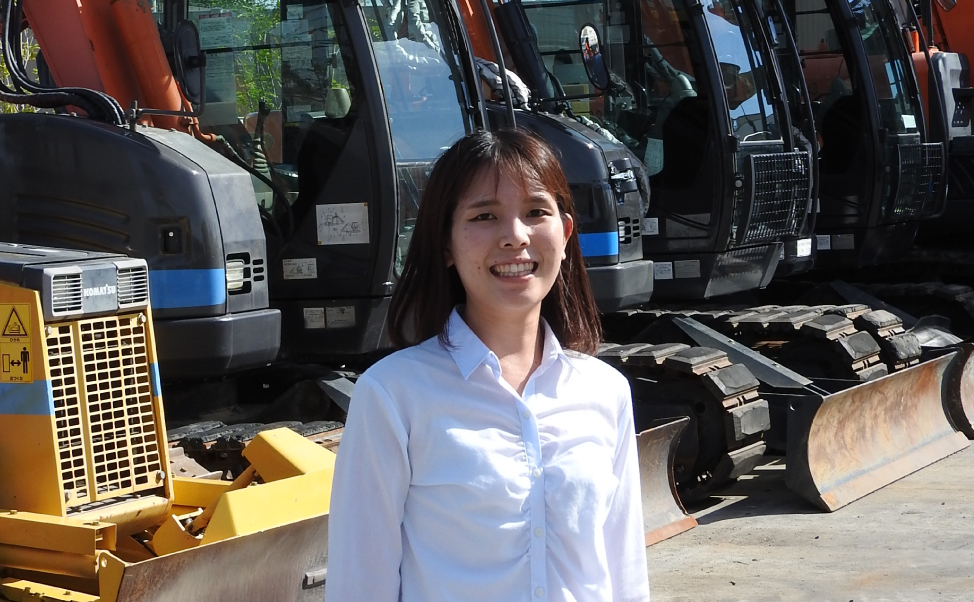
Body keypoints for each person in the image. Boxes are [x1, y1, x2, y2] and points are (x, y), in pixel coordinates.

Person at [325, 129, 650, 602]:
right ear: (445, 243)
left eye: (536, 212)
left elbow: (624, 573)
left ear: (565, 234)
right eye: (485, 216)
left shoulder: (605, 391)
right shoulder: (393, 395)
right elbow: (360, 584)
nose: (515, 236)